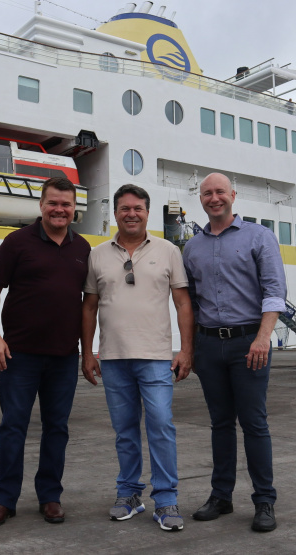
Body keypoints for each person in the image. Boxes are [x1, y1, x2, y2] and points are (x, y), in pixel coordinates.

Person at [81, 184, 193, 532]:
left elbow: (183, 303)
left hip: (157, 357)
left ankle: (166, 499)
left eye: (138, 208)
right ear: (115, 213)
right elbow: (89, 306)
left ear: (147, 212)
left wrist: (186, 350)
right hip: (113, 357)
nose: (132, 214)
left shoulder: (169, 251)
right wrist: (87, 353)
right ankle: (129, 493)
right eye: (125, 208)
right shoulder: (97, 254)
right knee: (124, 431)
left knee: (160, 426)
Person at [0, 177, 91, 527]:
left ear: (74, 209)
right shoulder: (17, 242)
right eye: (53, 203)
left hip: (63, 356)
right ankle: (4, 500)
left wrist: (88, 353)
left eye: (66, 204)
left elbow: (90, 304)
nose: (60, 209)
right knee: (13, 426)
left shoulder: (83, 248)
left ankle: (50, 497)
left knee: (57, 428)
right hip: (19, 355)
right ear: (41, 206)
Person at [183, 172, 286, 533]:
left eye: (220, 192)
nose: (214, 198)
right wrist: (193, 347)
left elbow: (274, 292)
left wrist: (263, 337)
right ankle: (221, 496)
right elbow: (192, 303)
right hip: (210, 344)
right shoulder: (192, 247)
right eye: (207, 193)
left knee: (254, 423)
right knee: (220, 424)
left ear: (233, 195)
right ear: (201, 199)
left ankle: (264, 501)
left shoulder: (259, 236)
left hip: (249, 342)